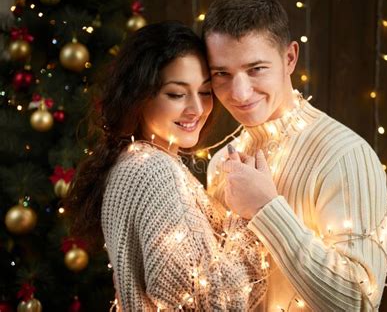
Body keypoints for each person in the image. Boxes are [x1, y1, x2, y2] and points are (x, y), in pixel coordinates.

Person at [203, 0, 387, 311]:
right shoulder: (221, 162)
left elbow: (358, 303)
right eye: (221, 73)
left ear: (289, 57)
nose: (239, 93)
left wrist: (266, 209)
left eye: (256, 68)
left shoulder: (345, 156)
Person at [66, 21, 267, 311]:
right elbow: (210, 302)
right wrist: (253, 215)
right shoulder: (152, 171)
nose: (196, 109)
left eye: (205, 92)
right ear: (139, 95)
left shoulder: (136, 161)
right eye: (176, 93)